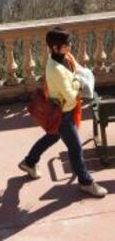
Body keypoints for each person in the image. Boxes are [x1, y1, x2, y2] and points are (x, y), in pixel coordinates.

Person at [19, 26, 107, 198]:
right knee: (75, 149)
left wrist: (77, 80)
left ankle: (29, 162)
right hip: (63, 114)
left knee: (52, 136)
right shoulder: (55, 70)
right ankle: (86, 182)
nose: (70, 46)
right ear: (55, 48)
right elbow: (71, 96)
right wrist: (80, 84)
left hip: (64, 112)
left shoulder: (66, 57)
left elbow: (78, 71)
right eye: (67, 44)